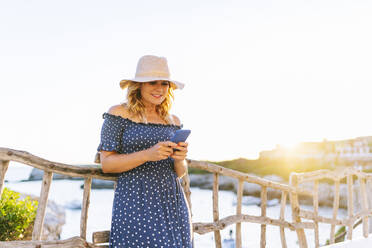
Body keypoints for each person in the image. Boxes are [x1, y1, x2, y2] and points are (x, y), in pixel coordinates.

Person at [96, 55, 193, 248]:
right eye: (152, 82)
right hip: (135, 203)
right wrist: (148, 155)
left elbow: (179, 173)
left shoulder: (172, 120)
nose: (159, 88)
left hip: (172, 203)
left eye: (164, 83)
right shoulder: (118, 113)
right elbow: (106, 164)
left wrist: (180, 159)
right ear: (138, 85)